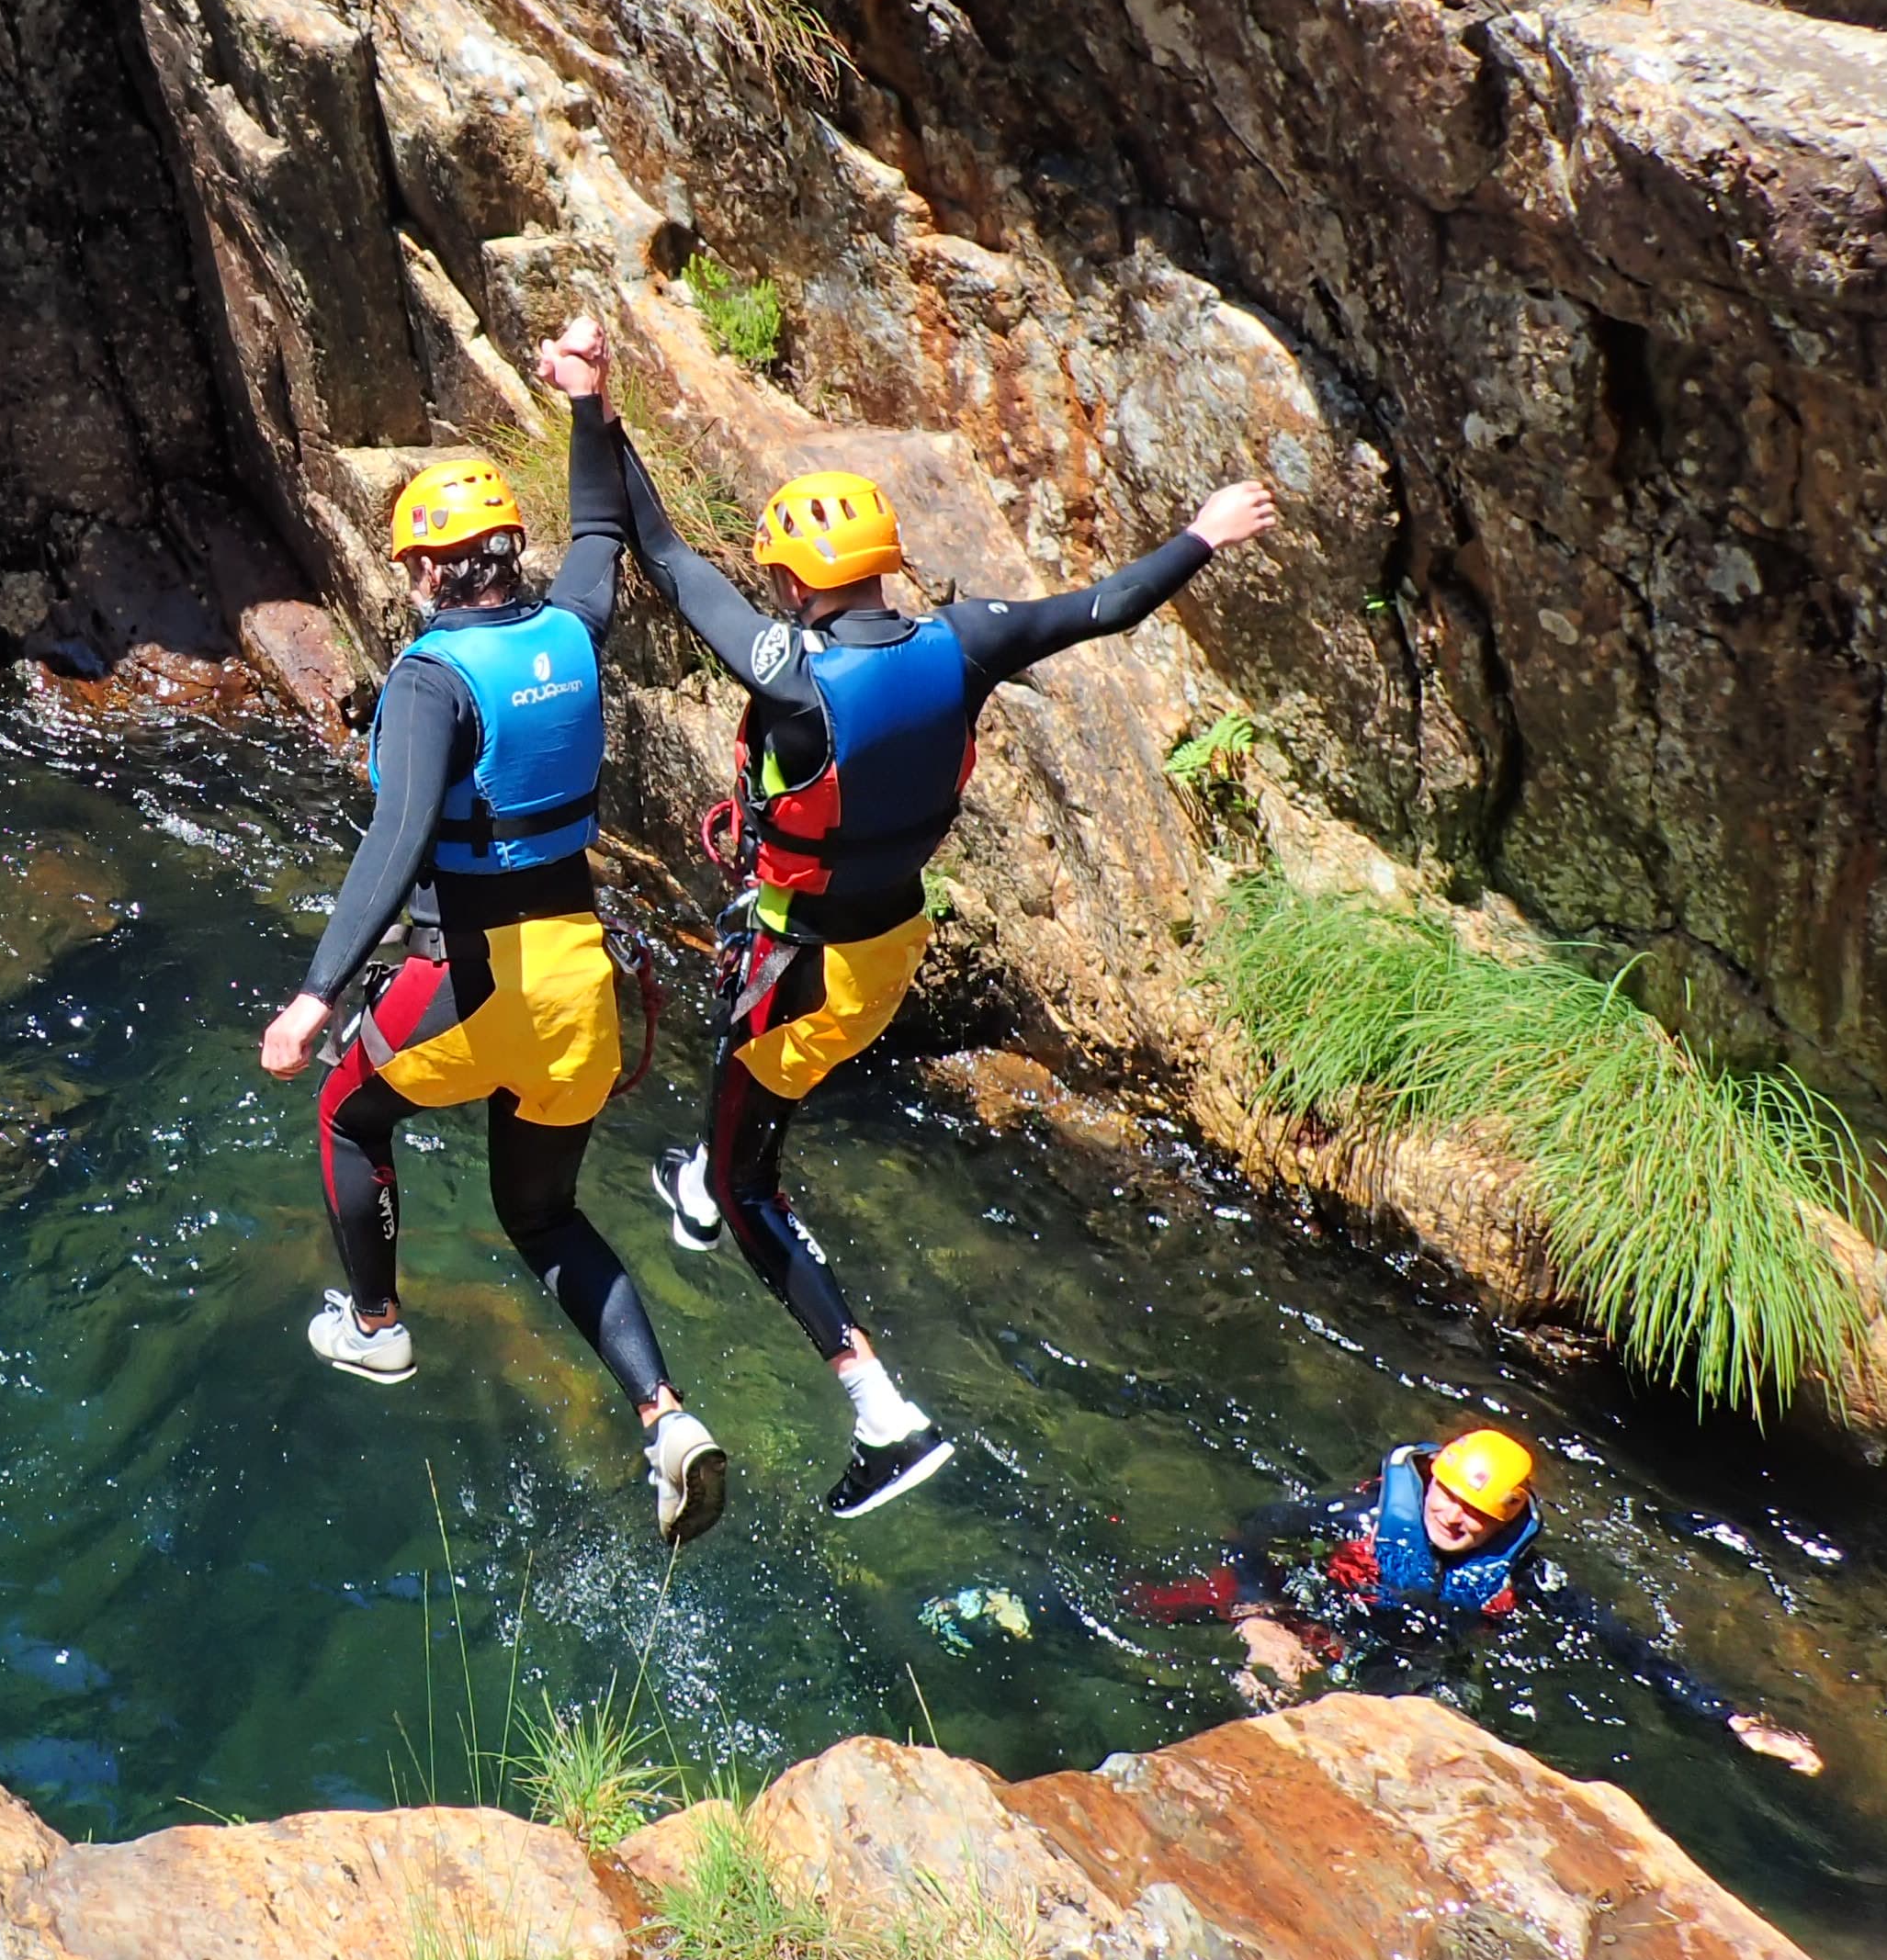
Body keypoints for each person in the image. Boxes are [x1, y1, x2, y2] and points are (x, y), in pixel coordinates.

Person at [605, 373, 1279, 1515]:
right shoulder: (961, 641)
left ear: (785, 579)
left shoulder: (789, 675)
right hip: (886, 948)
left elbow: (663, 553)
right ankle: (710, 1190)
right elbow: (1106, 605)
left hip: (798, 968)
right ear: (880, 564)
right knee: (740, 1123)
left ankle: (884, 1412)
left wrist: (602, 415)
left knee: (742, 1171)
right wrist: (1200, 535)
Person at [258, 318, 729, 1547]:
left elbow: (397, 838)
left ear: (424, 573)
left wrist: (317, 993)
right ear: (505, 559)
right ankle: (665, 1415)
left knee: (348, 1114)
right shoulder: (571, 627)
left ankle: (376, 1327)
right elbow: (605, 533)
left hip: (471, 984)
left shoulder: (429, 680)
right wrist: (589, 403)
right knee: (544, 1217)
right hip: (582, 984)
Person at [1137, 1428, 1825, 1774]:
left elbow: (1629, 1650)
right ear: (1429, 1477)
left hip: (1403, 1660)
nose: (1454, 1518)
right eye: (1447, 1496)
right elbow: (1253, 1530)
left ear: (1507, 1522)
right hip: (1310, 1604)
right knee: (1163, 1614)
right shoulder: (1361, 1516)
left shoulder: (1522, 1578)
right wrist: (1262, 1622)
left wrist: (1730, 1717)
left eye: (1477, 1513)